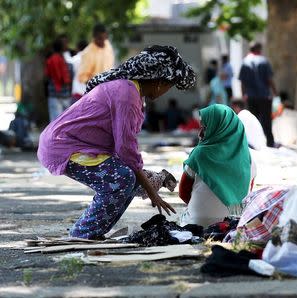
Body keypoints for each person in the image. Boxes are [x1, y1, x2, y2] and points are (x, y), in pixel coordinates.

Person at [37, 45, 196, 240]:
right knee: (122, 179)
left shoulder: (131, 91)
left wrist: (147, 182)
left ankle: (95, 231)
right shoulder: (127, 94)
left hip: (70, 144)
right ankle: (83, 233)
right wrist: (151, 192)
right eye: (168, 86)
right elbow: (126, 149)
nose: (166, 91)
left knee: (129, 178)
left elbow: (127, 151)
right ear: (158, 82)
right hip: (63, 146)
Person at [178, 104, 256, 227]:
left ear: (217, 129)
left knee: (183, 215)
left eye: (205, 128)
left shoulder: (199, 154)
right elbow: (248, 192)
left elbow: (183, 192)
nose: (200, 134)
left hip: (197, 223)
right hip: (233, 223)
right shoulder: (249, 159)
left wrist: (202, 208)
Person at [239, 42, 277, 147]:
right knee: (266, 121)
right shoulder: (264, 61)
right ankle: (269, 142)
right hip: (265, 96)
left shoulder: (245, 62)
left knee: (253, 120)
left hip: (251, 97)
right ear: (259, 49)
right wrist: (275, 93)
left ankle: (253, 144)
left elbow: (242, 82)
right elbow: (269, 80)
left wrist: (244, 95)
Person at [45, 38, 72, 121]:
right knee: (65, 121)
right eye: (65, 44)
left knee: (55, 122)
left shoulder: (51, 59)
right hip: (65, 94)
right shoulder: (67, 59)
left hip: (54, 94)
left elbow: (47, 75)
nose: (67, 45)